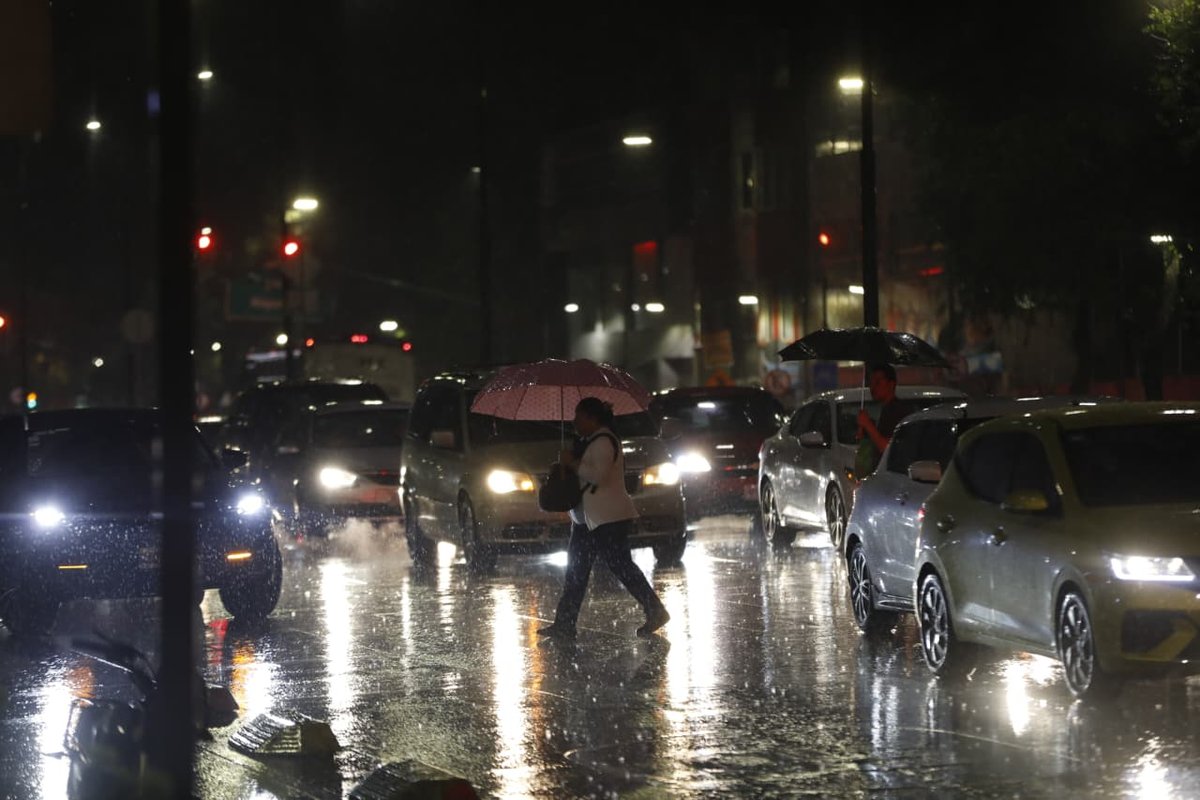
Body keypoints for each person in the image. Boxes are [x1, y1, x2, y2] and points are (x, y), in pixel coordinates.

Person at [538, 397, 670, 640]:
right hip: (586, 520)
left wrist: (572, 463)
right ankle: (564, 624)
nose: (574, 422)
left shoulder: (604, 442)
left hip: (608, 519)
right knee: (576, 571)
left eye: (578, 417)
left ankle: (655, 610)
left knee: (621, 567)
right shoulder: (590, 442)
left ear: (591, 417)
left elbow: (596, 476)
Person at [856, 363, 913, 472]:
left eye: (877, 382)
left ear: (891, 384)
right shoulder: (885, 410)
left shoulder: (898, 411)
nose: (873, 387)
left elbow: (886, 447)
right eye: (871, 383)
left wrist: (868, 424)